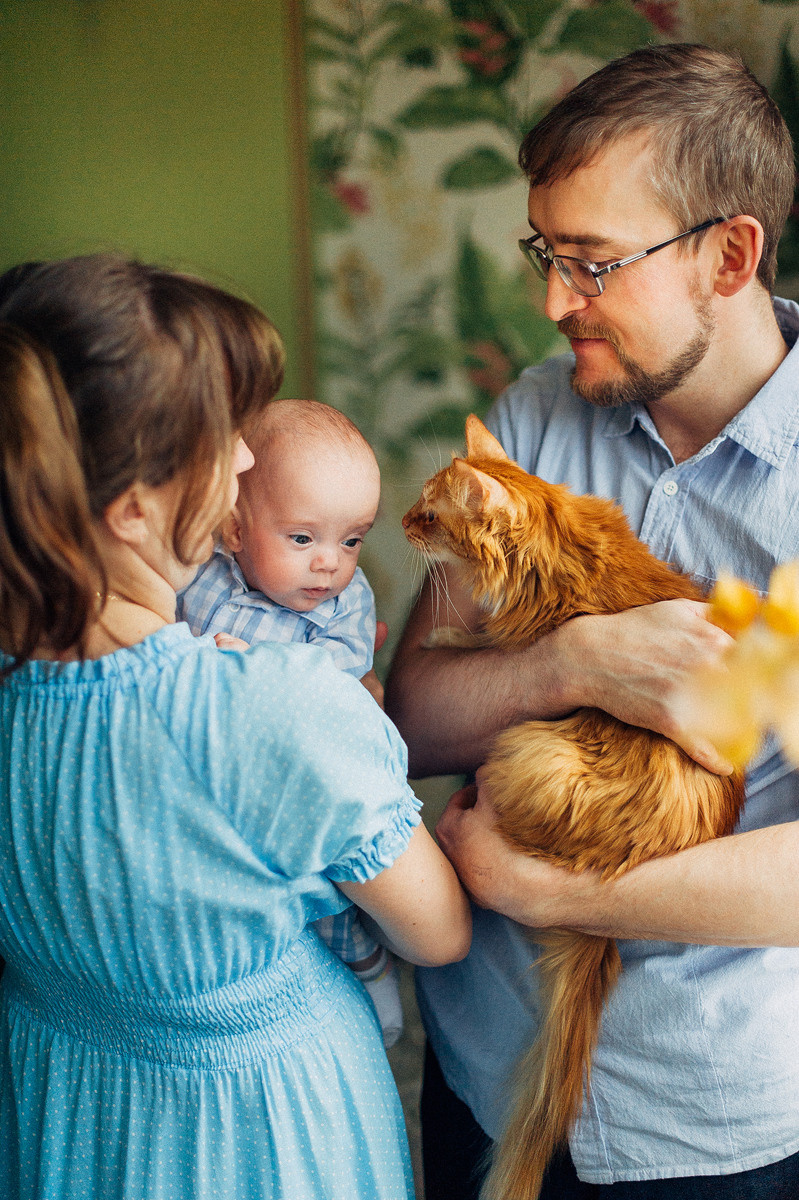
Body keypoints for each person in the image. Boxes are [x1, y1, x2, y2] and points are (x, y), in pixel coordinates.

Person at [385, 43, 799, 1199]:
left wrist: (559, 894)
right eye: (547, 255)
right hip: (485, 1068)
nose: (555, 302)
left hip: (713, 1120)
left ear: (729, 255)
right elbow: (413, 717)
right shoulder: (529, 417)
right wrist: (572, 661)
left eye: (593, 263)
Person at [0, 254, 472, 1200]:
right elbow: (437, 931)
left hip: (61, 1113)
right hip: (258, 1137)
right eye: (223, 437)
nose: (249, 458)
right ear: (135, 510)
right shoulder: (276, 706)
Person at [178, 397, 404, 1047]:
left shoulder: (343, 604)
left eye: (352, 539)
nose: (329, 561)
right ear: (233, 529)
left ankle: (369, 969)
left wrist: (258, 667)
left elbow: (337, 678)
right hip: (210, 760)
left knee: (323, 889)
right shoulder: (202, 574)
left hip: (296, 767)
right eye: (302, 538)